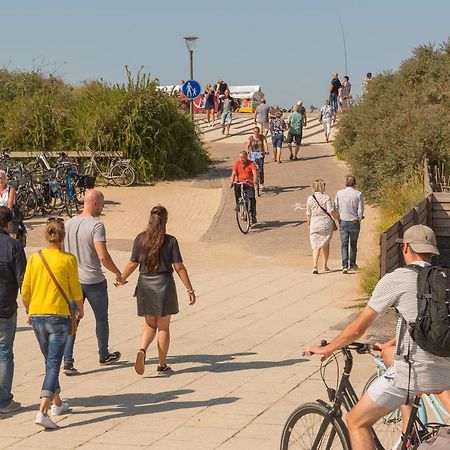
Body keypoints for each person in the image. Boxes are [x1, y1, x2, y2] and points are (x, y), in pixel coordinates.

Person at [305, 225, 450, 450]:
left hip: (413, 374)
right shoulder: (444, 279)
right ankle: (408, 436)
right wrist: (393, 342)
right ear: (432, 253)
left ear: (406, 248)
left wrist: (329, 348)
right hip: (443, 370)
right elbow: (426, 326)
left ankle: (408, 436)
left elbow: (357, 329)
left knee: (355, 421)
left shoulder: (397, 279)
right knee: (394, 359)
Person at [22, 218, 84, 429]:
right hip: (58, 316)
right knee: (53, 365)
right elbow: (75, 289)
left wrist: (29, 310)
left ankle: (57, 404)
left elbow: (26, 289)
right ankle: (42, 411)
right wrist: (79, 309)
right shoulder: (68, 259)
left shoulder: (35, 258)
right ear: (63, 236)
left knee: (50, 361)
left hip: (38, 315)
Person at [120, 205, 196, 376]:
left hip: (145, 284)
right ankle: (162, 365)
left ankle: (142, 349)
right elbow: (179, 267)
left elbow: (133, 262)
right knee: (163, 327)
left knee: (149, 324)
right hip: (164, 284)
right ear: (165, 221)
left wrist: (122, 277)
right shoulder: (170, 241)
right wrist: (190, 289)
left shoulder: (140, 239)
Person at [63, 189, 123, 375]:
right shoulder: (96, 226)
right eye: (103, 203)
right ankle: (104, 354)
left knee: (72, 320)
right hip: (94, 280)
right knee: (101, 318)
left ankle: (67, 361)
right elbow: (102, 256)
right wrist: (118, 273)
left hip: (73, 281)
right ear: (95, 203)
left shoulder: (68, 223)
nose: (103, 207)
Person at [0, 206, 26, 414]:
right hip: (5, 306)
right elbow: (22, 281)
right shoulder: (13, 246)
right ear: (9, 224)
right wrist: (30, 307)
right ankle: (4, 401)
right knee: (4, 352)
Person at [306, 180, 340, 274]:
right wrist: (338, 218)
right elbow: (330, 210)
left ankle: (315, 265)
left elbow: (308, 213)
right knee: (325, 243)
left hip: (314, 222)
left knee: (315, 246)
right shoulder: (326, 197)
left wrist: (309, 223)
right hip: (325, 223)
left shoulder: (310, 198)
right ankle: (325, 265)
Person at [335, 175, 364, 273]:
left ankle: (344, 265)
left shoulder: (339, 193)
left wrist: (339, 217)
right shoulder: (358, 194)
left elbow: (336, 207)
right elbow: (360, 210)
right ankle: (352, 263)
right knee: (353, 244)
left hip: (343, 220)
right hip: (354, 220)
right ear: (355, 184)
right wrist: (359, 218)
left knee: (344, 244)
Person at [230, 151, 258, 224]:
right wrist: (232, 182)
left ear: (246, 157)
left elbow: (254, 172)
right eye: (240, 157)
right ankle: (238, 205)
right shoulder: (237, 163)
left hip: (248, 184)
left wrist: (254, 181)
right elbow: (233, 174)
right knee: (236, 188)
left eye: (243, 157)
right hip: (240, 183)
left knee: (252, 198)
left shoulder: (251, 163)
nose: (241, 159)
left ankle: (253, 215)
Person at [247, 126, 269, 190]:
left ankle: (261, 183)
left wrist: (266, 150)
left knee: (261, 169)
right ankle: (252, 181)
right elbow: (247, 145)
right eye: (255, 131)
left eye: (257, 131)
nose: (256, 133)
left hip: (260, 154)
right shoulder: (250, 138)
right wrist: (247, 151)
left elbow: (265, 143)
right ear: (253, 132)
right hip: (253, 154)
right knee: (252, 168)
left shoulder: (262, 137)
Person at [0, 170, 17, 238]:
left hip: (8, 214)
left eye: (1, 178)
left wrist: (4, 217)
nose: (0, 180)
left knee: (11, 236)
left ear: (5, 179)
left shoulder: (11, 189)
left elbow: (10, 205)